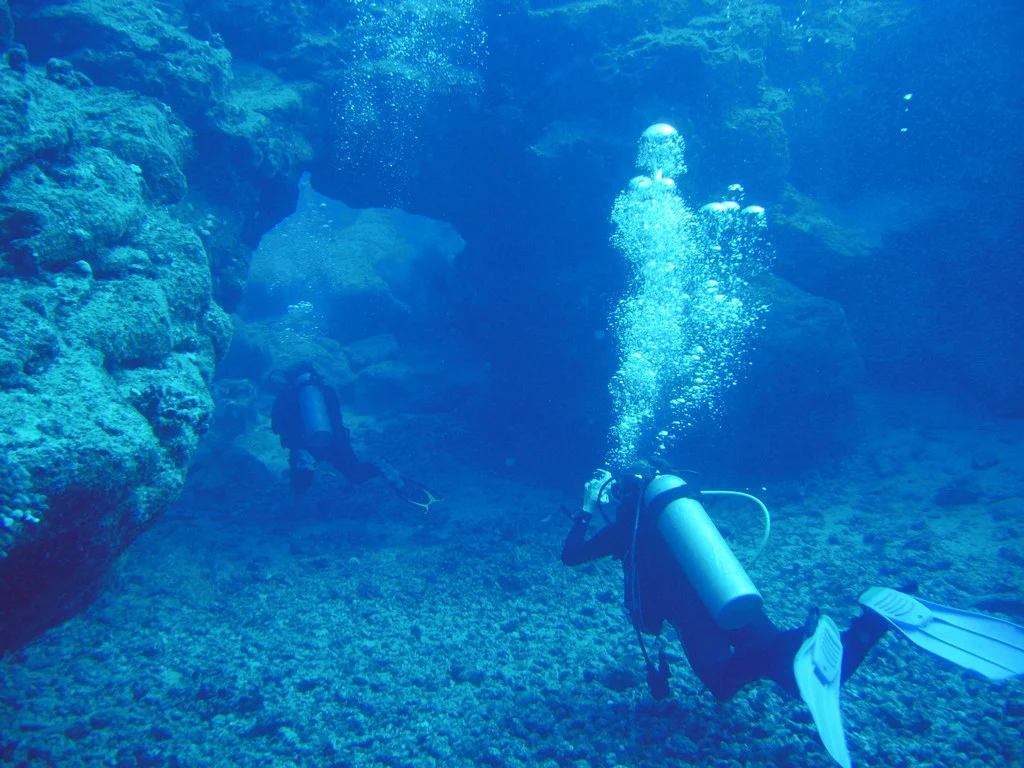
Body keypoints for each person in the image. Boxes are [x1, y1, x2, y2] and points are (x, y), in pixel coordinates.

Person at [562, 468, 1024, 768]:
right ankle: (870, 622)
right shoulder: (678, 515)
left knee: (722, 683)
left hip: (699, 616)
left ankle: (797, 638)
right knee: (804, 678)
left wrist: (585, 511)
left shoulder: (627, 530)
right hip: (734, 595)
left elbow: (571, 556)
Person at [270, 362, 400, 493]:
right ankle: (378, 465)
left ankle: (304, 505)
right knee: (356, 474)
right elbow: (336, 419)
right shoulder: (327, 391)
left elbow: (276, 427)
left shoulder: (285, 397)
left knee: (300, 486)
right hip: (336, 443)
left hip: (304, 448)